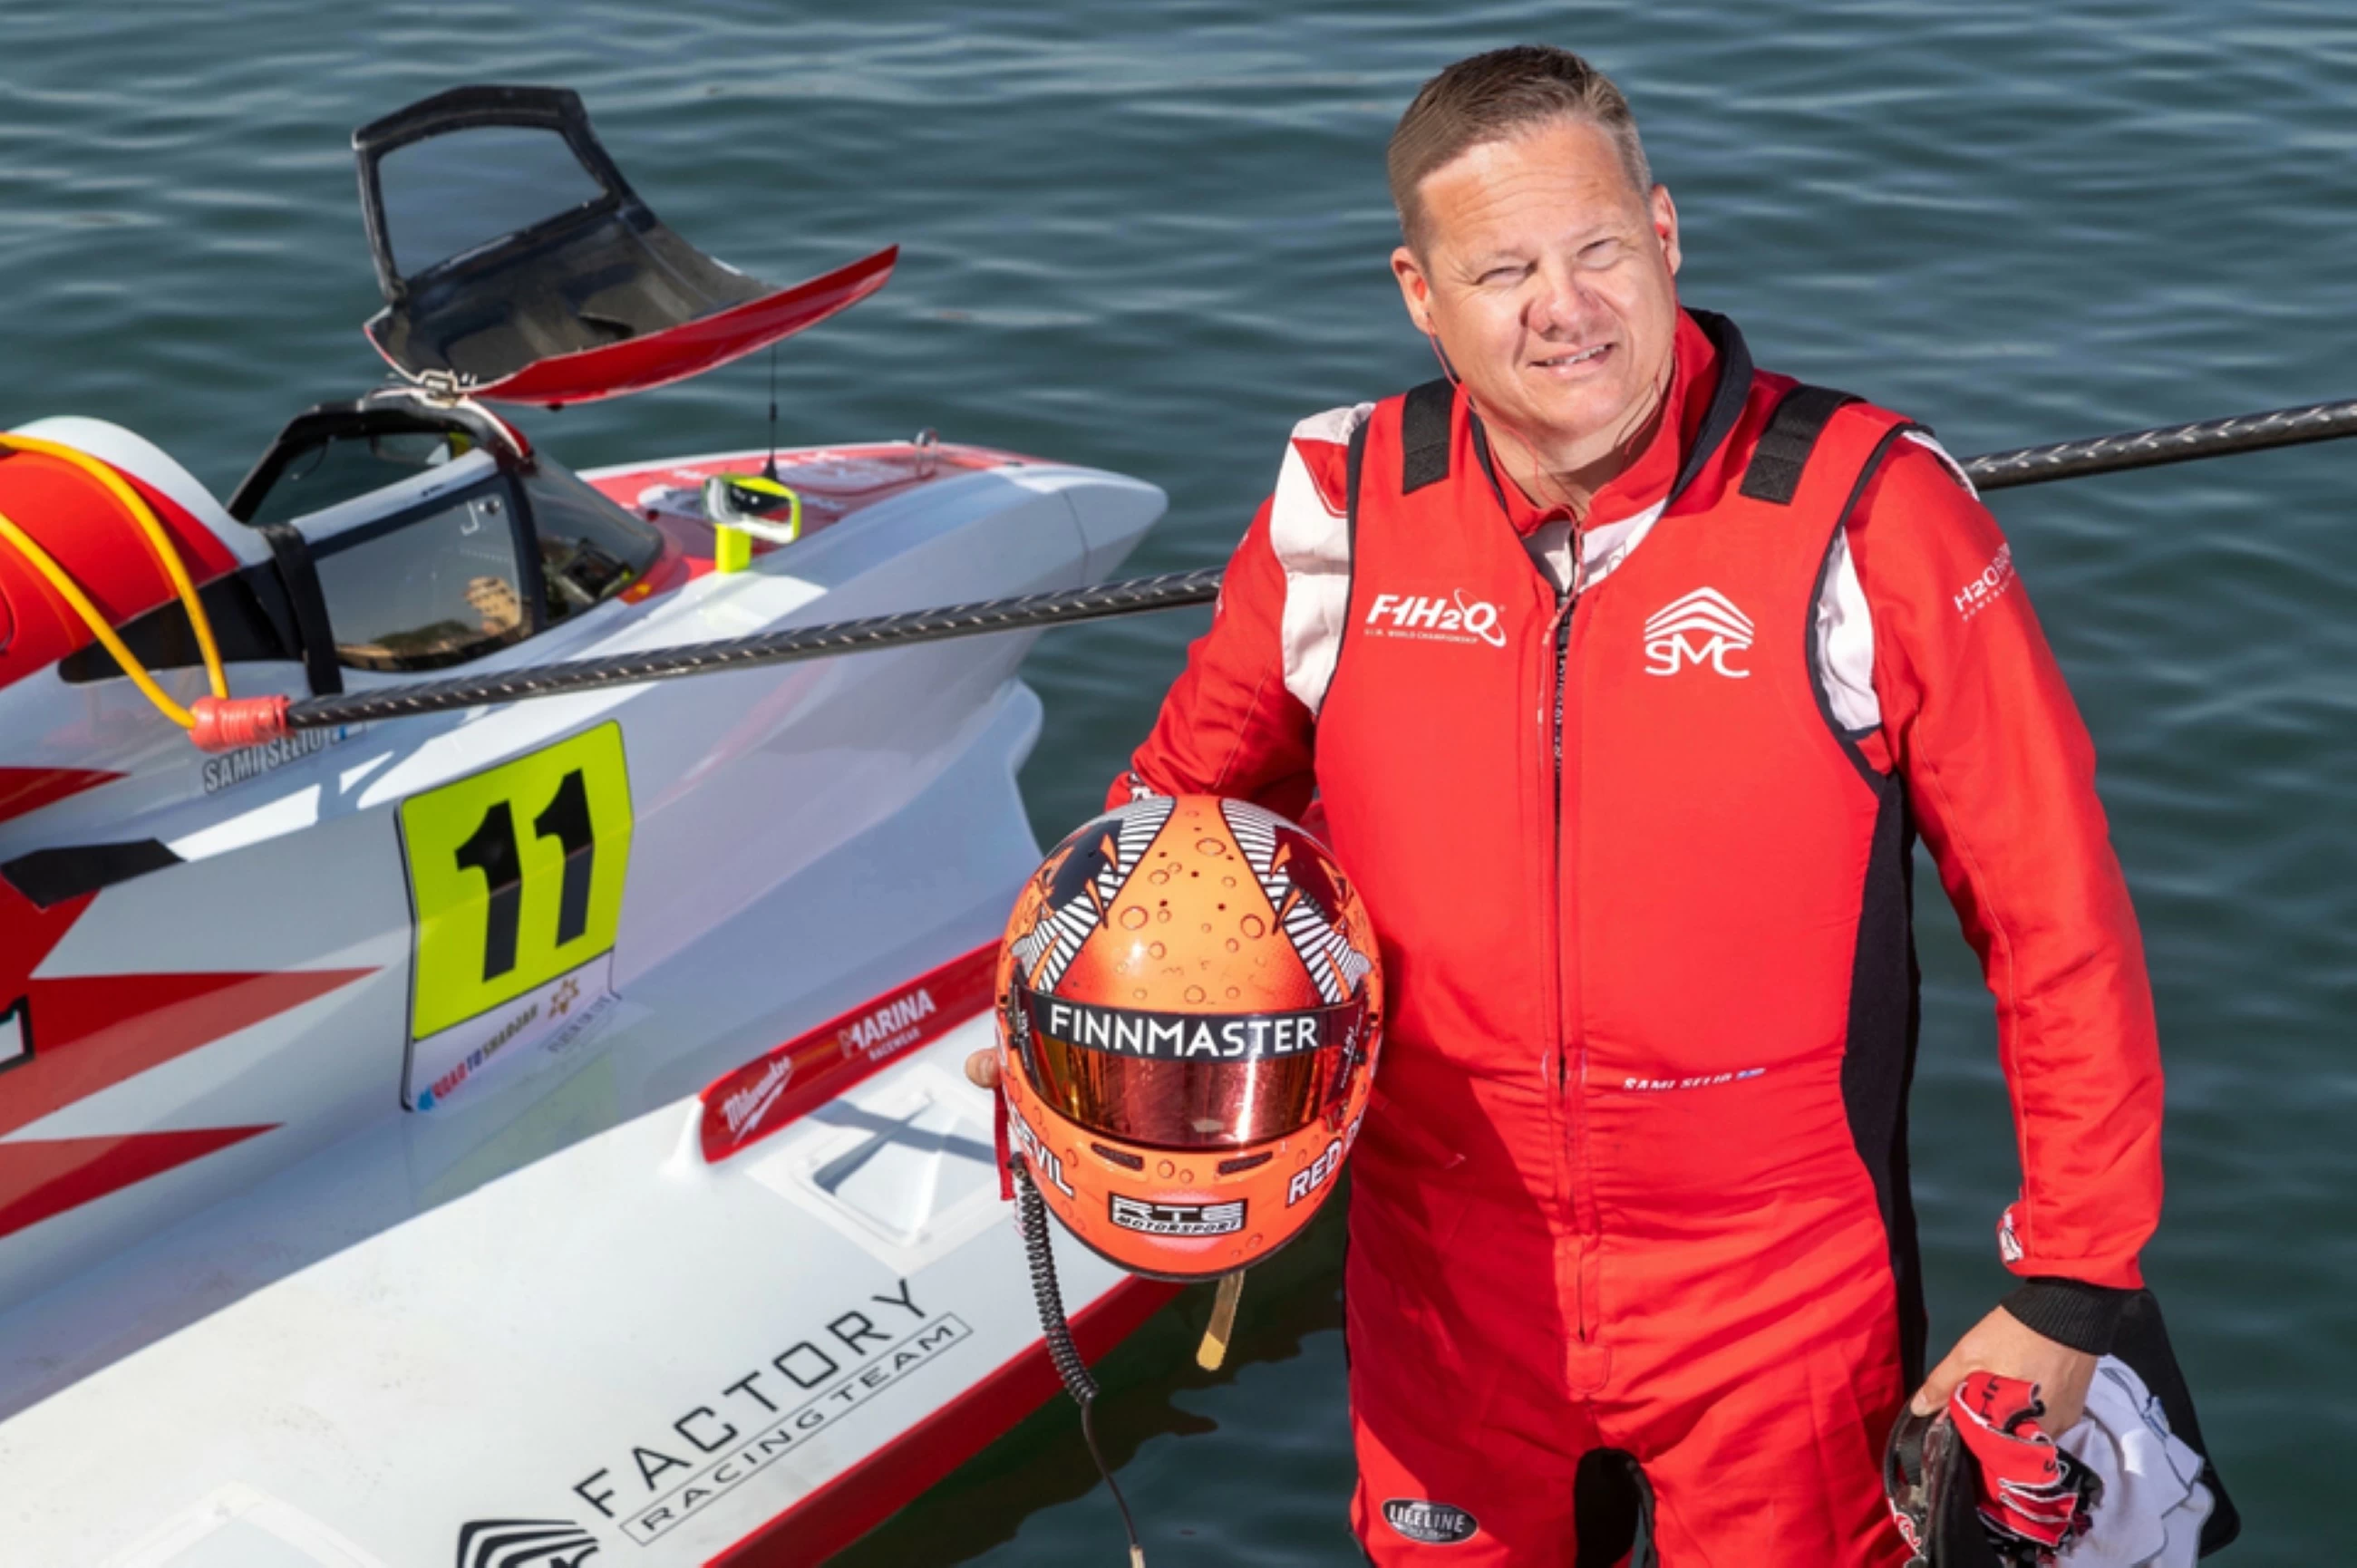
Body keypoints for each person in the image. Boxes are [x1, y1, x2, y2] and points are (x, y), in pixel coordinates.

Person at [971, 44, 2163, 1566]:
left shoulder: (1876, 512)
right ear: (1421, 295)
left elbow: (2056, 914)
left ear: (1665, 233)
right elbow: (1170, 823)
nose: (1564, 307)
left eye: (1598, 248)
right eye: (1503, 270)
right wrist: (1056, 1031)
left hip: (1783, 1303)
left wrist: (2071, 1284)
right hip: (1441, 1293)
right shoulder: (1341, 505)